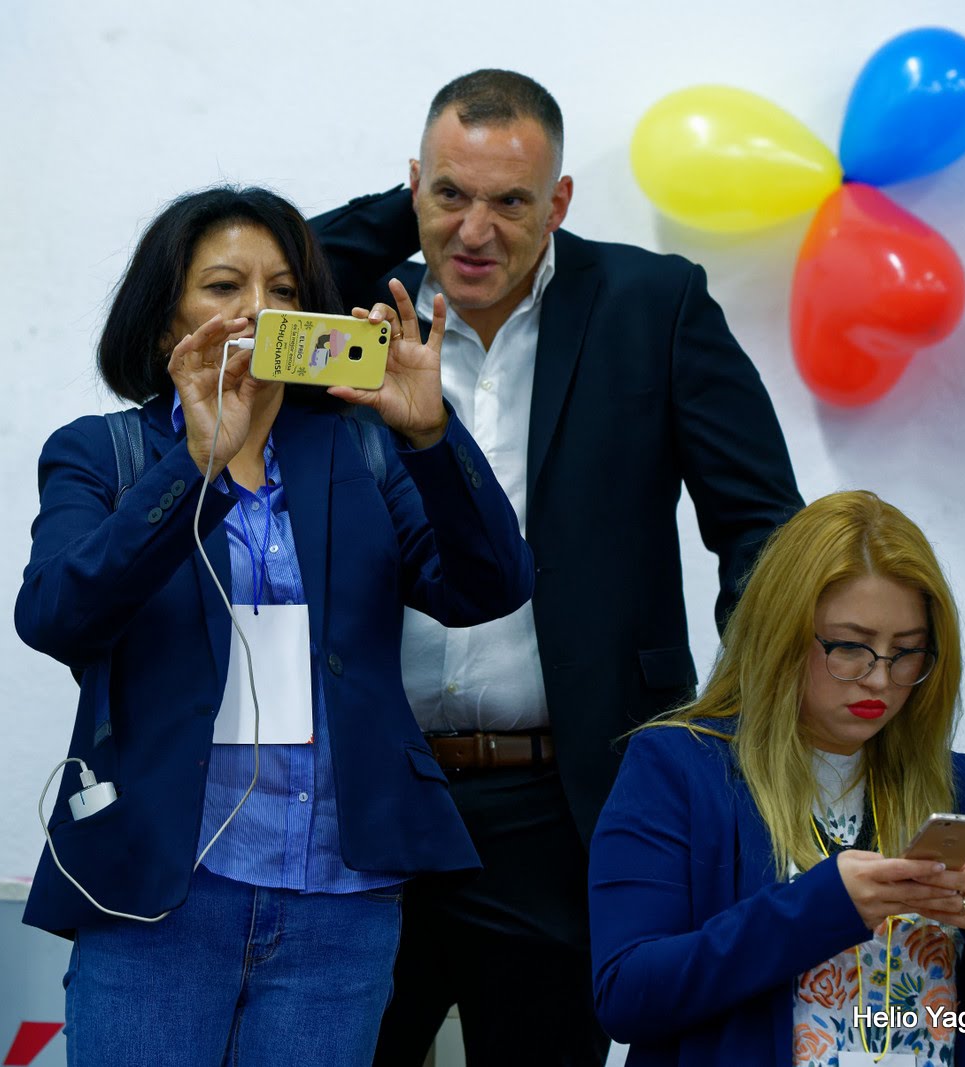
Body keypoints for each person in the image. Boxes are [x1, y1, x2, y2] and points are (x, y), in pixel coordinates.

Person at [309, 68, 805, 1065]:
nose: (474, 232)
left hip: (564, 800)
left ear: (561, 202)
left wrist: (736, 710)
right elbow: (242, 275)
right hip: (365, 794)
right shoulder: (354, 320)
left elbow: (763, 525)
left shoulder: (648, 305)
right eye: (449, 194)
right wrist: (405, 213)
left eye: (509, 201)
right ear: (413, 188)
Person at [14, 185, 534, 1067]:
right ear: (164, 316)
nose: (258, 309)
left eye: (284, 289)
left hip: (341, 893)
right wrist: (196, 466)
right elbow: (59, 614)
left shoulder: (357, 449)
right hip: (166, 889)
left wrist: (431, 437)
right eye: (224, 286)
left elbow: (486, 586)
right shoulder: (105, 452)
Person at [588, 490, 965, 1065]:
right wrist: (818, 909)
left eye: (907, 653)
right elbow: (626, 996)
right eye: (850, 647)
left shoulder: (956, 783)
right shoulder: (678, 766)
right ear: (781, 633)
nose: (880, 680)